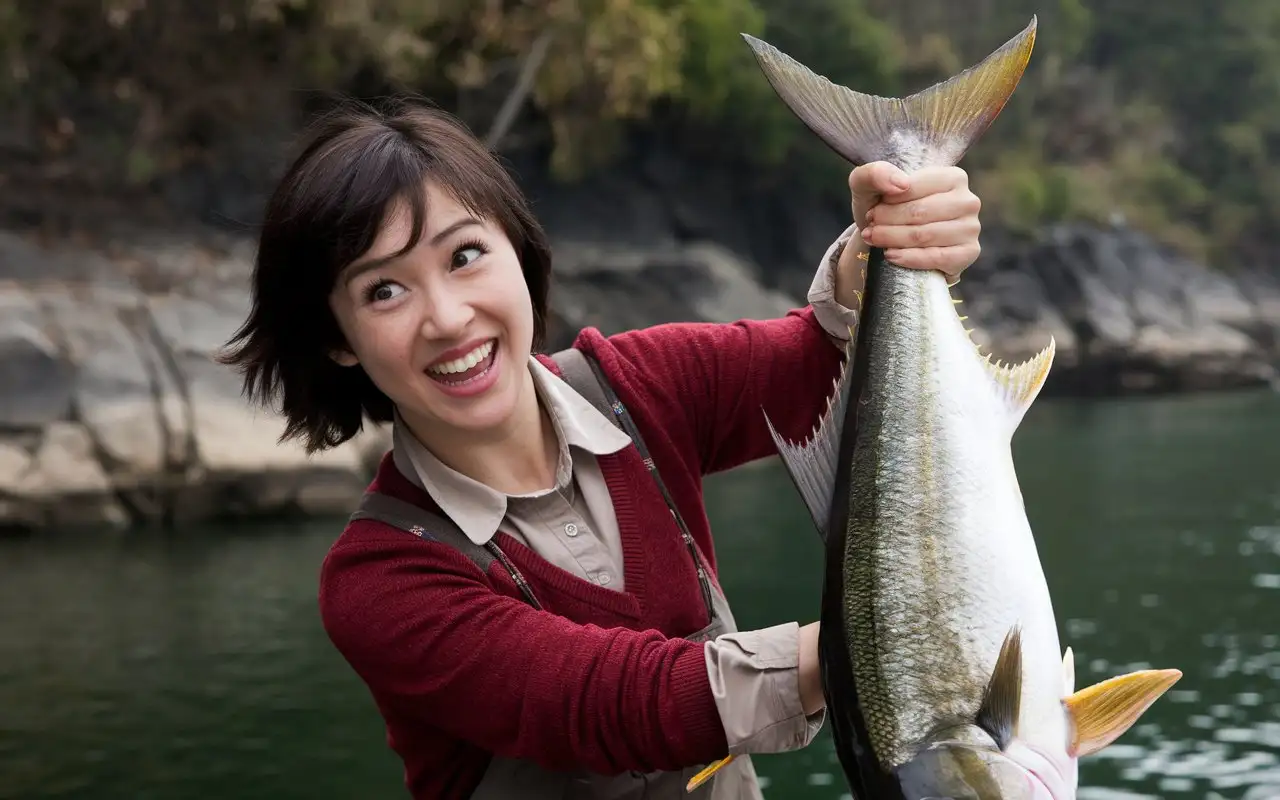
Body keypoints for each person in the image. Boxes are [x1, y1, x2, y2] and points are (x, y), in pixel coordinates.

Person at [219, 97, 983, 800]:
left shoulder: (639, 384)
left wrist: (888, 244)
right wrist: (896, 645)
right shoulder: (379, 582)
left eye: (464, 255)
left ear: (517, 249)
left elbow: (818, 362)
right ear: (336, 339)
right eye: (385, 291)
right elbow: (600, 707)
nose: (448, 318)